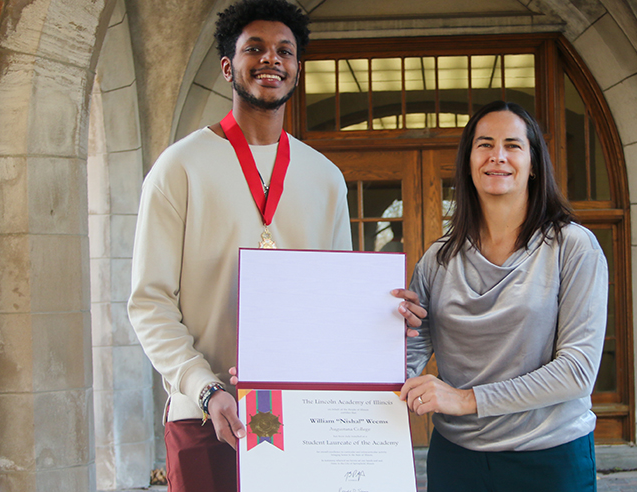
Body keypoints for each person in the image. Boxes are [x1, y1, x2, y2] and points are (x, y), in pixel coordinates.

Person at [127, 1, 390, 490]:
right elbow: (150, 303)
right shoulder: (178, 168)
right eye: (255, 48)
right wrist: (203, 388)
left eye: (284, 51)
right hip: (205, 414)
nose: (271, 59)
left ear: (296, 69)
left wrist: (387, 310)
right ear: (229, 66)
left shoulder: (324, 178)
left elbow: (334, 302)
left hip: (299, 413)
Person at [398, 101, 609, 491]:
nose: (498, 156)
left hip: (549, 458)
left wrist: (465, 400)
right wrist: (388, 328)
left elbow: (578, 372)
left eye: (513, 145)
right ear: (468, 162)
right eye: (485, 144)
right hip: (457, 460)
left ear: (534, 165)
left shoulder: (573, 247)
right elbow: (405, 362)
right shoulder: (437, 260)